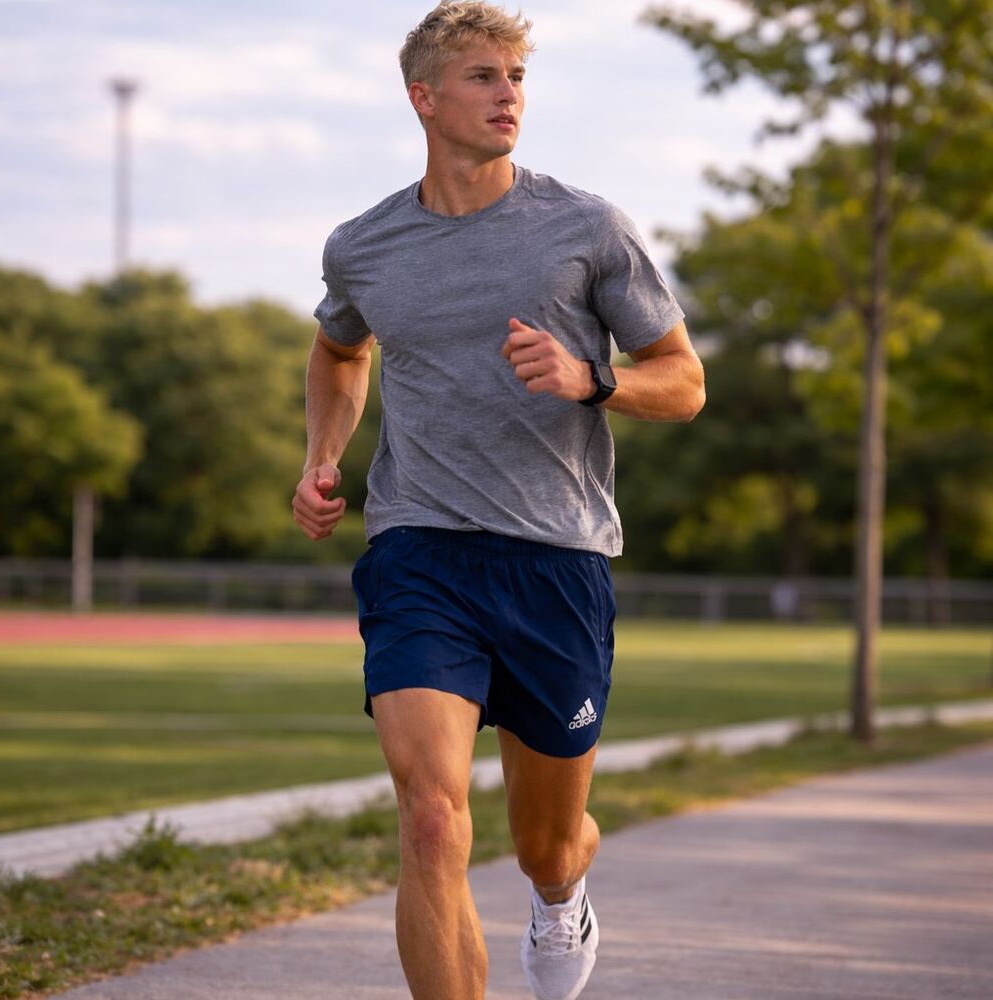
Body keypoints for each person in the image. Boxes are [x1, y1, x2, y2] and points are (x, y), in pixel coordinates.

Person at [292, 4, 705, 998]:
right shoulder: (363, 245)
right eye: (482, 76)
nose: (507, 94)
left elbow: (684, 381)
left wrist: (590, 380)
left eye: (516, 75)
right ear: (422, 97)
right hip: (419, 549)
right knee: (432, 818)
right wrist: (321, 455)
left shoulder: (587, 227)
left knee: (546, 845)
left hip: (553, 560)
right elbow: (340, 347)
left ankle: (563, 897)